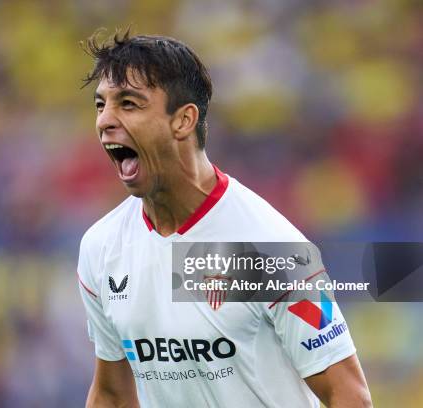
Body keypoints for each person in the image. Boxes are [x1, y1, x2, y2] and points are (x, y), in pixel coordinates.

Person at [77, 29, 372, 408]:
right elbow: (113, 395)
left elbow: (347, 395)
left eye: (129, 104)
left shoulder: (270, 249)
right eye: (100, 105)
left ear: (183, 121)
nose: (105, 121)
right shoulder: (102, 247)